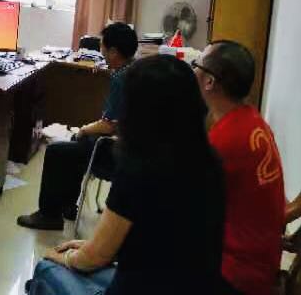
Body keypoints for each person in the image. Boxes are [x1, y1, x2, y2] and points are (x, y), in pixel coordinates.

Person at [26, 55, 226, 295]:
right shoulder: (211, 160)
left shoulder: (140, 166)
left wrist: (67, 258)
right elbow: (162, 240)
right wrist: (90, 247)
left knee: (46, 268)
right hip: (195, 287)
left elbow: (94, 258)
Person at [17, 22, 137, 230]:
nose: (101, 53)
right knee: (77, 143)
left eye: (103, 48)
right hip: (132, 149)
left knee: (57, 150)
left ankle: (49, 215)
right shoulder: (135, 70)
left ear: (114, 52)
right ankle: (68, 206)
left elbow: (108, 126)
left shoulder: (120, 78)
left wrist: (83, 129)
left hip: (115, 151)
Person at [193, 41, 285, 295]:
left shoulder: (225, 140)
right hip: (261, 262)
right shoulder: (253, 120)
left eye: (196, 64)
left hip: (235, 275)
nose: (193, 70)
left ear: (209, 81)